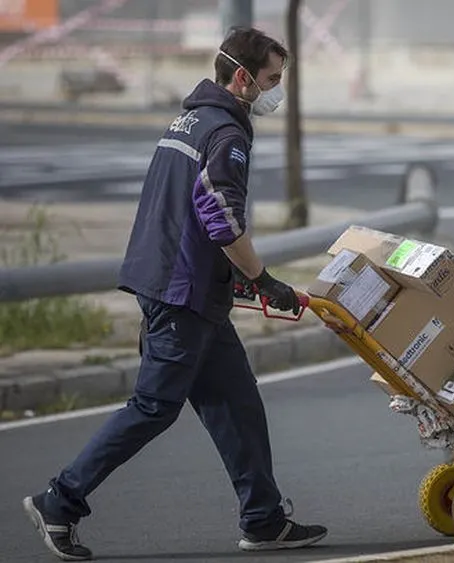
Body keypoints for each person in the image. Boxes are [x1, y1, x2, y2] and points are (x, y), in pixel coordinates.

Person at [22, 27, 328, 561]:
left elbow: (181, 207)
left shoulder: (190, 119)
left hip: (182, 284)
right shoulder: (226, 133)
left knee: (237, 403)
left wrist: (229, 277)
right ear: (242, 77)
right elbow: (219, 216)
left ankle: (263, 519)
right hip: (179, 293)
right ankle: (60, 500)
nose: (276, 91)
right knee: (153, 407)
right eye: (272, 79)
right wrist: (261, 279)